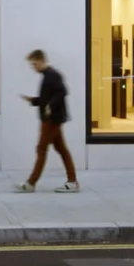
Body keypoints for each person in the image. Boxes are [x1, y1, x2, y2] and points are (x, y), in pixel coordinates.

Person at [16, 49, 79, 191]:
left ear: (41, 60)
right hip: (52, 118)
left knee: (41, 149)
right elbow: (47, 98)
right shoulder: (47, 76)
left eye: (34, 64)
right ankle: (72, 181)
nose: (33, 67)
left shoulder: (52, 75)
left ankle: (31, 183)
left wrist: (50, 106)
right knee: (61, 149)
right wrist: (33, 100)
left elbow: (62, 91)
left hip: (52, 119)